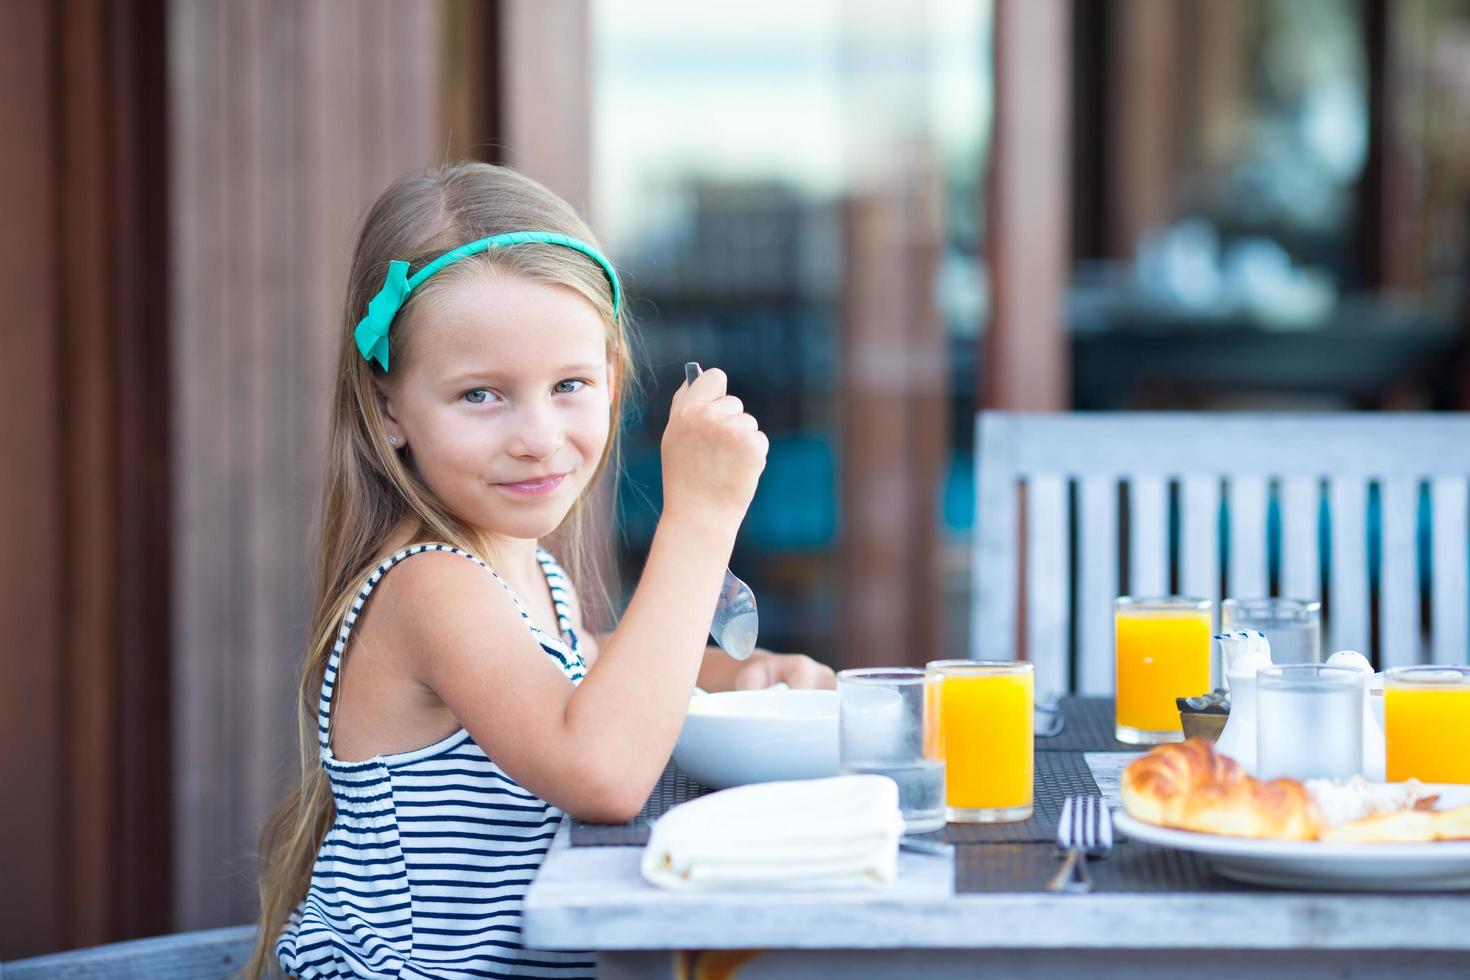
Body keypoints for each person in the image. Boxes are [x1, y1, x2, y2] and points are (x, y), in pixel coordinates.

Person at [247, 162, 834, 979]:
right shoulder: (430, 585)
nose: (537, 435)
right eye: (482, 396)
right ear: (389, 408)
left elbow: (595, 675)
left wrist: (739, 677)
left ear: (613, 381)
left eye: (569, 385)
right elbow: (602, 769)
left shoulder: (525, 578)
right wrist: (699, 520)